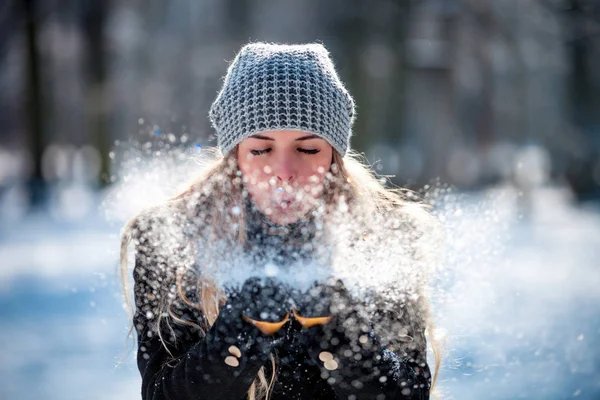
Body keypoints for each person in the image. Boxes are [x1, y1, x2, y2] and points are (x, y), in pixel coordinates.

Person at [120, 42, 441, 400]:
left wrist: (338, 331)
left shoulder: (385, 236)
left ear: (334, 156)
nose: (285, 173)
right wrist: (244, 327)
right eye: (261, 149)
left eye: (307, 149)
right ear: (235, 156)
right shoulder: (171, 238)